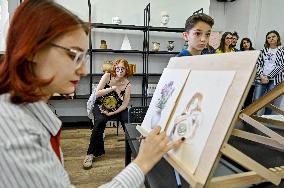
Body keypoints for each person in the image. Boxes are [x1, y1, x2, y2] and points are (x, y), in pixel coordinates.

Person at [0, 1, 184, 187]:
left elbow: (124, 104)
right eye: (74, 55)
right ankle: (92, 152)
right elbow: (97, 94)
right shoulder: (14, 135)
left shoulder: (31, 114)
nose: (83, 71)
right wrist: (142, 162)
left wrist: (114, 112)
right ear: (33, 50)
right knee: (100, 123)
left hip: (115, 110)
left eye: (84, 57)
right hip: (100, 107)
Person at [83, 58, 131, 169]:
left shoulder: (128, 85)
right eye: (118, 68)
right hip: (100, 104)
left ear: (126, 70)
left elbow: (124, 105)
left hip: (116, 107)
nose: (120, 70)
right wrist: (113, 88)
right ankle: (90, 154)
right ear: (115, 68)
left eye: (122, 68)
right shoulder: (107, 76)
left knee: (127, 118)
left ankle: (133, 148)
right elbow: (97, 93)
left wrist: (112, 113)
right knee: (100, 120)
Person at [253, 30, 284, 115]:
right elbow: (258, 64)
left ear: (278, 37)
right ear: (267, 40)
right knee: (256, 99)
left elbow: (281, 66)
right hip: (261, 78)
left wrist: (268, 77)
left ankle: (266, 118)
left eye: (273, 36)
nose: (271, 39)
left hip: (275, 79)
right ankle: (251, 117)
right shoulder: (263, 50)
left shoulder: (282, 50)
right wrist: (262, 76)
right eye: (269, 37)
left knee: (270, 101)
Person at [239, 37, 256, 108]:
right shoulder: (240, 54)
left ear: (250, 43)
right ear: (242, 45)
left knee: (249, 98)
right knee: (241, 98)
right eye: (244, 43)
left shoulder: (255, 52)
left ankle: (245, 117)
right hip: (242, 79)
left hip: (252, 79)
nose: (246, 44)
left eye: (247, 42)